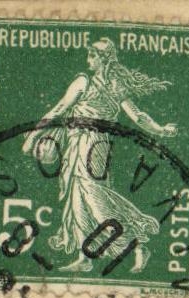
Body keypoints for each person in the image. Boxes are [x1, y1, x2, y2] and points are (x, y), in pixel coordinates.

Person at [22, 39, 178, 272]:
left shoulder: (101, 84)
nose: (88, 60)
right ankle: (84, 257)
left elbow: (137, 116)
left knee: (95, 198)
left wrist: (161, 129)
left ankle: (136, 245)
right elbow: (61, 109)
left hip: (94, 145)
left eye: (92, 55)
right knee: (77, 198)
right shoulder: (98, 84)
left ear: (103, 58)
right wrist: (161, 129)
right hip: (80, 143)